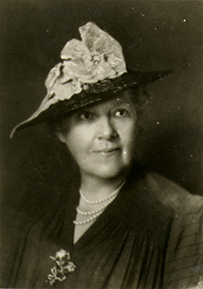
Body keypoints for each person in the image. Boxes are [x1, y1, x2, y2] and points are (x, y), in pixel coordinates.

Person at [2, 22, 203, 289]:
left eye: (120, 112)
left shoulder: (185, 218)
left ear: (138, 120)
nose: (107, 132)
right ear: (61, 131)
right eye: (87, 116)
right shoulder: (33, 214)